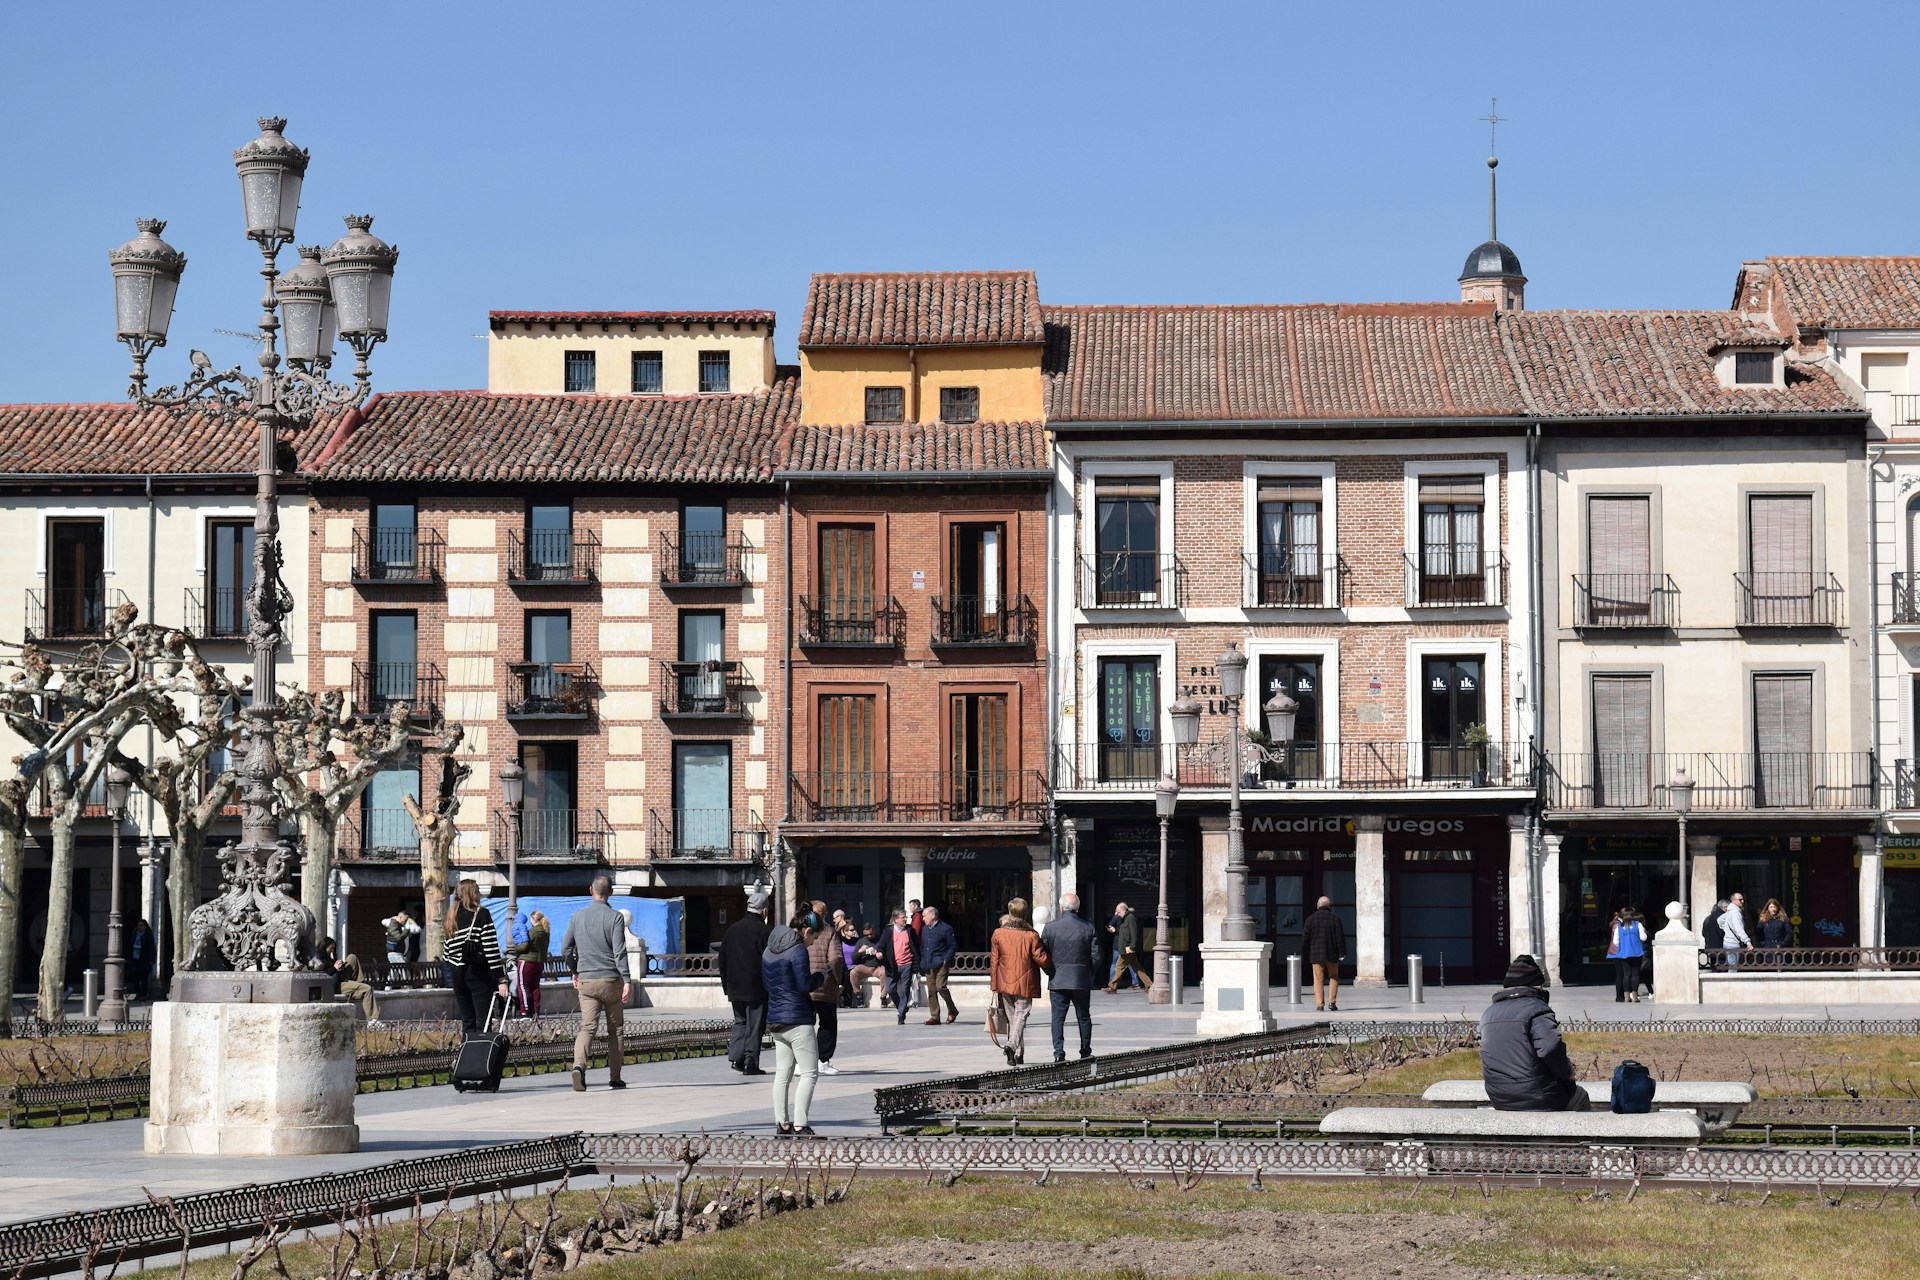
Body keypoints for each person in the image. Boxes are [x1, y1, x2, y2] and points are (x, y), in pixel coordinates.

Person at [1479, 954, 1587, 1112]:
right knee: (1580, 1096)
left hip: (1499, 1098)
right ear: (1536, 987)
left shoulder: (1488, 1014)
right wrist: (1568, 1072)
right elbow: (1550, 1047)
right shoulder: (1537, 1009)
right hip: (1539, 1097)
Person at [562, 875, 631, 1091]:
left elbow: (565, 949)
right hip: (611, 980)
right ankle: (615, 1077)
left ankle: (578, 1066)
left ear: (590, 889)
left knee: (587, 1028)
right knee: (615, 1030)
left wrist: (575, 970)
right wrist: (627, 979)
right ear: (610, 892)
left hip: (587, 981)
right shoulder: (615, 917)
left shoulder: (577, 917)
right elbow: (619, 951)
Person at [762, 909, 824, 1137]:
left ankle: (782, 1124)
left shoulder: (769, 949)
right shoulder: (797, 949)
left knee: (782, 1074)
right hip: (797, 1019)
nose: (811, 944)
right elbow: (804, 984)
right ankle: (800, 1125)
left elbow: (767, 985)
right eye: (813, 938)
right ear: (806, 931)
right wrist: (821, 976)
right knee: (809, 1073)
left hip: (776, 1019)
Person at [988, 897, 1050, 1067]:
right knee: (1021, 1016)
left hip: (1004, 981)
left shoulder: (998, 933)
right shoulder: (1031, 935)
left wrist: (994, 984)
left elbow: (994, 960)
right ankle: (1011, 1046)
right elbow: (1040, 959)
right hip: (1026, 981)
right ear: (1025, 913)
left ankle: (1018, 1054)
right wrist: (1051, 958)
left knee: (1013, 1018)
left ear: (1010, 912)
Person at [442, 880, 509, 1034]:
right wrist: (501, 979)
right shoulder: (481, 914)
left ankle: (468, 1055)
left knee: (467, 1021)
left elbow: (446, 953)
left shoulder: (452, 918)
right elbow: (491, 949)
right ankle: (483, 1055)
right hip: (477, 973)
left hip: (457, 976)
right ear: (473, 893)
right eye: (478, 890)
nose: (480, 894)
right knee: (483, 1022)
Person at [1039, 892, 1100, 1063]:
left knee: (1058, 1018)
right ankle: (1085, 1051)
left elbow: (1043, 954)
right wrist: (1088, 973)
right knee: (1084, 1016)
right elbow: (1096, 956)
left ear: (1060, 907)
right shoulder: (1088, 927)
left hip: (1058, 979)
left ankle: (1059, 1052)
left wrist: (1050, 972)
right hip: (1081, 980)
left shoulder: (1050, 928)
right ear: (1078, 908)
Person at [719, 890, 774, 1075]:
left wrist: (727, 986)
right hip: (757, 987)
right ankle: (751, 1061)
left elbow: (722, 960)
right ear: (764, 911)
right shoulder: (765, 931)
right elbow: (770, 961)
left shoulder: (732, 930)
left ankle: (736, 1058)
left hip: (735, 988)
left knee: (740, 1022)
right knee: (755, 1025)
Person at [805, 900, 845, 1075]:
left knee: (804, 1025)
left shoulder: (801, 931)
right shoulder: (830, 932)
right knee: (828, 1023)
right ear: (825, 914)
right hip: (825, 983)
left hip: (804, 983)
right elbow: (835, 959)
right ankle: (823, 1060)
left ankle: (803, 1062)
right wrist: (838, 980)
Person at [322, 936, 382, 1026]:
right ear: (324, 946)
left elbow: (336, 971)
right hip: (335, 985)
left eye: (333, 948)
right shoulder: (319, 959)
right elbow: (324, 974)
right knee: (367, 989)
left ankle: (359, 983)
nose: (332, 950)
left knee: (352, 957)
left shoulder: (329, 957)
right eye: (330, 948)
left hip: (340, 978)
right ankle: (373, 1020)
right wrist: (334, 968)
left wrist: (340, 967)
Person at [1300, 896, 1346, 1012]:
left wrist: (1307, 951)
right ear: (1329, 906)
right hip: (1332, 954)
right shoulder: (1335, 919)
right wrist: (1342, 953)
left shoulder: (1310, 919)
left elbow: (1305, 938)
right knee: (1334, 976)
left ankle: (1320, 1005)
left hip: (1316, 954)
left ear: (1318, 906)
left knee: (1318, 979)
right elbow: (1340, 938)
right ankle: (1332, 1002)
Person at [918, 905, 960, 1025]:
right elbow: (924, 946)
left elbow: (953, 946)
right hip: (928, 962)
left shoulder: (946, 928)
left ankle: (952, 1010)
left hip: (941, 962)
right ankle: (935, 1016)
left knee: (940, 987)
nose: (923, 919)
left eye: (925, 916)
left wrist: (946, 959)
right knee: (931, 990)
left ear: (933, 915)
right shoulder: (925, 929)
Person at [878, 908, 919, 1024]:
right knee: (890, 988)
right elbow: (881, 945)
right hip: (892, 965)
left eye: (906, 917)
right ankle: (902, 1007)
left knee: (904, 989)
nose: (906, 919)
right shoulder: (888, 931)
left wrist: (916, 965)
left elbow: (915, 948)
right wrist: (880, 953)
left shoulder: (910, 931)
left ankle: (901, 1014)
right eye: (903, 917)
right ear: (896, 919)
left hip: (907, 964)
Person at [1103, 902, 1150, 993]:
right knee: (1138, 968)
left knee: (1119, 966)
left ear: (1124, 910)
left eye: (1118, 912)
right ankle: (1149, 984)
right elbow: (1124, 932)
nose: (1117, 914)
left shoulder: (1130, 918)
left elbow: (1133, 933)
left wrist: (1132, 946)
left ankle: (1112, 986)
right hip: (1126, 947)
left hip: (1128, 948)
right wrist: (1115, 930)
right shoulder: (1124, 919)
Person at [514, 909, 550, 1018]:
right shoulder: (546, 932)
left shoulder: (532, 932)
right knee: (535, 987)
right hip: (539, 963)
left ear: (534, 919)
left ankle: (525, 1012)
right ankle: (536, 1011)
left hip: (526, 962)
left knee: (523, 986)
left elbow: (524, 946)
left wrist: (516, 948)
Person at [1608, 906, 1648, 1003]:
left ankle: (1626, 996)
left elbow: (1615, 942)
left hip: (1623, 953)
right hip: (1636, 952)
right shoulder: (1638, 925)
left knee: (1626, 975)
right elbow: (1643, 938)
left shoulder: (1619, 927)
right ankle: (1634, 995)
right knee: (1635, 974)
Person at [848, 924, 886, 1007]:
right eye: (866, 935)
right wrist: (860, 951)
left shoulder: (880, 940)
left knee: (884, 972)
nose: (869, 936)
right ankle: (858, 995)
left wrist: (879, 955)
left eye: (870, 934)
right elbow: (854, 959)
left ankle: (883, 996)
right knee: (853, 972)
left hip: (877, 967)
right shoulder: (861, 942)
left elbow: (887, 956)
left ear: (874, 931)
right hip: (865, 967)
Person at [1719, 892, 1752, 970]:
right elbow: (1738, 928)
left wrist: (1727, 930)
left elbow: (1720, 920)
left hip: (1728, 942)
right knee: (1733, 969)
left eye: (1743, 899)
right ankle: (1730, 982)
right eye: (1740, 900)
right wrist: (1747, 942)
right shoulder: (1735, 912)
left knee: (1732, 967)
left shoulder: (1730, 910)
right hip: (1733, 943)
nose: (1742, 901)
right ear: (1734, 900)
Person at [127, 919, 155, 1002]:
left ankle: (143, 994)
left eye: (141, 925)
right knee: (135, 977)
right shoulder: (134, 935)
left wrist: (151, 959)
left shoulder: (148, 936)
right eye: (138, 925)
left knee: (144, 978)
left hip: (144, 960)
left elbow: (151, 948)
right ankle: (137, 992)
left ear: (145, 927)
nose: (140, 927)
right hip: (135, 958)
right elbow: (130, 946)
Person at [1699, 897, 1727, 970]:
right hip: (1719, 948)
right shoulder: (1720, 917)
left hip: (1710, 947)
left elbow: (1703, 933)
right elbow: (1721, 932)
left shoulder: (1708, 919)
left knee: (1714, 967)